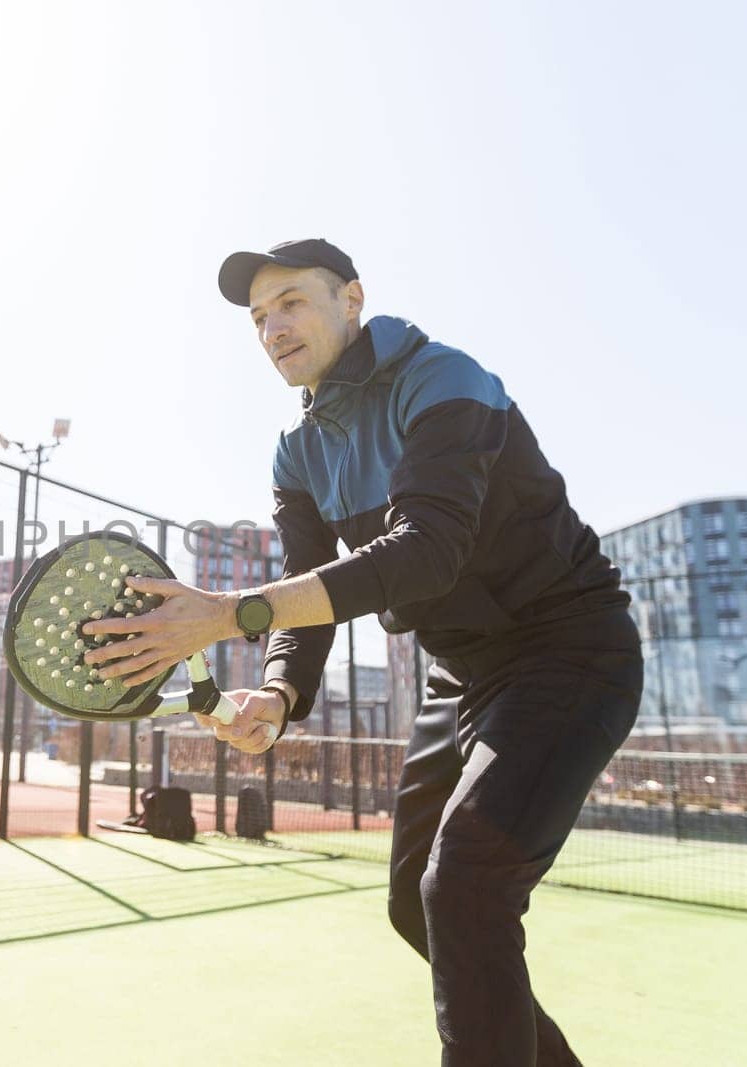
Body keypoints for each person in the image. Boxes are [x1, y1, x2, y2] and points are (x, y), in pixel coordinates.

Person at [82, 238, 643, 1066]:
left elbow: (426, 552)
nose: (274, 328)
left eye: (293, 303)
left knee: (466, 886)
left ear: (352, 299)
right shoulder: (297, 453)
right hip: (461, 674)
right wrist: (276, 692)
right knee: (418, 905)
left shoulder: (442, 377)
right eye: (259, 318)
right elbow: (305, 587)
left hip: (569, 645)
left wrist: (227, 614)